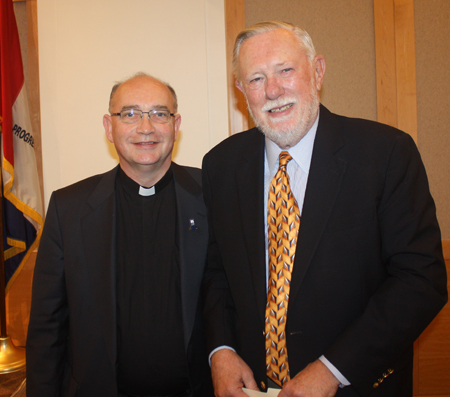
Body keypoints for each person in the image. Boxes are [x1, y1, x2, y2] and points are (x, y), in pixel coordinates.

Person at [201, 21, 448, 397]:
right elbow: (217, 273)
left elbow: (421, 281)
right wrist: (221, 350)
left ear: (317, 71)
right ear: (241, 90)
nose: (273, 90)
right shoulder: (221, 165)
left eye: (286, 70)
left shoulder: (385, 154)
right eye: (255, 79)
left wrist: (333, 369)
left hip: (356, 385)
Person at [26, 73, 212, 397]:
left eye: (159, 113)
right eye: (129, 114)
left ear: (176, 124)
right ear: (108, 127)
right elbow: (47, 328)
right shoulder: (67, 208)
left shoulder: (213, 197)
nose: (145, 127)